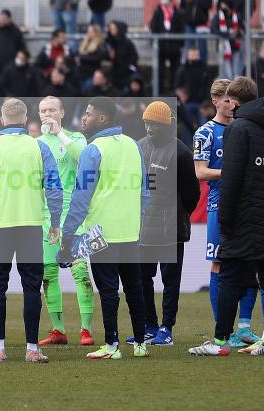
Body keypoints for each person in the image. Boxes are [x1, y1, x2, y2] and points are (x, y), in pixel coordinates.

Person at [189, 77, 264, 357]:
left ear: (234, 101)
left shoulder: (239, 129)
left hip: (244, 216)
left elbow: (233, 178)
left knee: (230, 276)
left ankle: (221, 341)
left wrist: (226, 217)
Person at [0, 98, 62, 363]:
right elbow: (54, 187)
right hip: (30, 225)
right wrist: (55, 221)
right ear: (25, 120)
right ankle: (32, 348)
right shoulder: (39, 147)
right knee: (31, 288)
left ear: (2, 119)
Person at [58, 96, 148, 360]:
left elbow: (81, 197)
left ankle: (112, 346)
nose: (84, 118)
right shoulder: (133, 145)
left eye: (88, 114)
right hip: (129, 231)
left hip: (101, 233)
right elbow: (145, 192)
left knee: (108, 290)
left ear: (102, 118)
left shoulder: (93, 150)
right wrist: (136, 219)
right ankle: (140, 344)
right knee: (134, 288)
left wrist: (67, 236)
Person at [192, 79, 263, 346]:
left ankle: (244, 327)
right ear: (215, 102)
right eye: (226, 100)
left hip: (249, 205)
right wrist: (232, 173)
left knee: (250, 264)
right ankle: (223, 328)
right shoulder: (205, 132)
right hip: (219, 205)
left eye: (234, 100)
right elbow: (200, 171)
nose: (232, 105)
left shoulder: (246, 128)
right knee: (219, 264)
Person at [134, 101, 200, 347]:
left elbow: (192, 194)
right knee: (143, 279)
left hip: (171, 229)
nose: (150, 129)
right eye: (147, 124)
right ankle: (150, 326)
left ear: (167, 125)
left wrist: (178, 214)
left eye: (155, 125)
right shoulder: (138, 147)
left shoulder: (181, 152)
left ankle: (167, 328)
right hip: (144, 228)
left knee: (170, 281)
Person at [33, 96, 94, 347]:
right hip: (47, 216)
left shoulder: (76, 138)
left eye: (51, 110)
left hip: (75, 215)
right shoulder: (36, 143)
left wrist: (59, 134)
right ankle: (58, 330)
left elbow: (83, 157)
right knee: (48, 273)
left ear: (62, 113)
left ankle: (86, 329)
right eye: (42, 110)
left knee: (80, 271)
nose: (47, 114)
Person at [149, 0, 185, 91]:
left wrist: (179, 44)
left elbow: (181, 28)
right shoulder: (158, 12)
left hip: (174, 47)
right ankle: (159, 92)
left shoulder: (177, 12)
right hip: (161, 46)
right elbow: (153, 27)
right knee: (160, 71)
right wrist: (154, 43)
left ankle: (175, 92)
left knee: (176, 71)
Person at [180, 0, 214, 64]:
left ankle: (202, 66)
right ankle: (186, 65)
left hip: (201, 24)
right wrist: (185, 18)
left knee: (202, 47)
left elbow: (208, 5)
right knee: (189, 46)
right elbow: (182, 8)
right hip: (189, 24)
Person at [175, 45, 212, 128]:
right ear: (188, 55)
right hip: (187, 103)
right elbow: (178, 87)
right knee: (187, 128)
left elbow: (208, 86)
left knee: (203, 128)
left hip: (202, 103)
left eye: (196, 55)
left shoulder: (204, 68)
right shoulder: (183, 69)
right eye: (192, 55)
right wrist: (182, 99)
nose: (194, 57)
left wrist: (206, 101)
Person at [0, 9, 27, 76]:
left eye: (4, 18)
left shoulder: (15, 31)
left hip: (11, 64)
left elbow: (21, 46)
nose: (2, 20)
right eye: (0, 18)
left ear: (9, 19)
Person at [214, 0, 244, 79]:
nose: (223, 8)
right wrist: (228, 32)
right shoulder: (218, 16)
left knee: (236, 72)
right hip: (224, 47)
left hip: (235, 46)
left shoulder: (237, 16)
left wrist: (237, 31)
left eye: (225, 6)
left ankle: (235, 84)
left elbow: (242, 29)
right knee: (227, 73)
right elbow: (214, 29)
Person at [107, 20, 139, 89]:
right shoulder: (110, 42)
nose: (112, 31)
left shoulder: (127, 43)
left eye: (114, 29)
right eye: (110, 29)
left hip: (127, 73)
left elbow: (134, 57)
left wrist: (129, 68)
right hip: (116, 73)